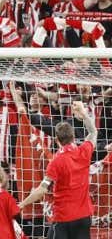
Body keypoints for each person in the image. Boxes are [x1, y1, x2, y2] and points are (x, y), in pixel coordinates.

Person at [19, 101, 99, 239]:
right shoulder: (84, 151)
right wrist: (84, 114)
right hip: (84, 216)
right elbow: (93, 131)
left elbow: (42, 190)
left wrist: (22, 204)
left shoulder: (56, 162)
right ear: (73, 137)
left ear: (56, 139)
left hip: (63, 218)